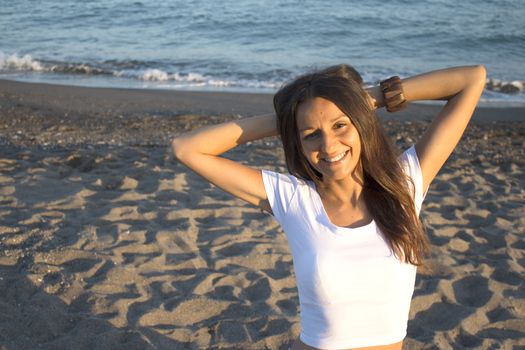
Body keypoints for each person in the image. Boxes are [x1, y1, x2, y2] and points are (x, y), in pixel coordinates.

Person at [171, 64, 486, 350]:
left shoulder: (404, 184)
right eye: (311, 135)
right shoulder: (294, 199)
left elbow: (472, 79)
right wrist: (287, 120)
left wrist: (367, 98)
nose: (329, 147)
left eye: (340, 126)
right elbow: (187, 149)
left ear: (361, 123)